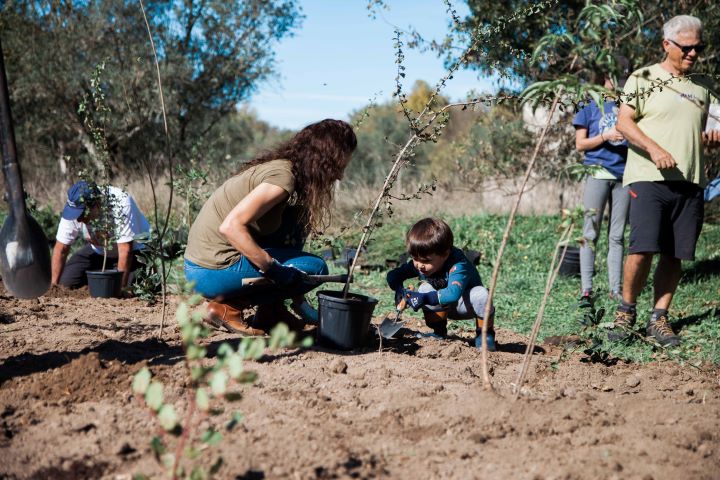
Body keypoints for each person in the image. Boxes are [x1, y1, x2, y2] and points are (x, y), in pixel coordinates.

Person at [184, 119, 357, 335]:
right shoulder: (282, 178)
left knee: (295, 223)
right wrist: (273, 270)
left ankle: (272, 311)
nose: (339, 175)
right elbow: (231, 227)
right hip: (210, 270)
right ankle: (228, 308)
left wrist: (297, 300)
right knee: (316, 268)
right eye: (339, 166)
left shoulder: (284, 173)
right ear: (323, 160)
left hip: (203, 267)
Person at [609, 15, 720, 346]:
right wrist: (654, 148)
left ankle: (659, 319)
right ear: (666, 44)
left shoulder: (703, 87)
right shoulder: (643, 78)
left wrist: (714, 138)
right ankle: (625, 312)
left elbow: (713, 127)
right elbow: (624, 123)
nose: (693, 54)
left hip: (691, 181)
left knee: (676, 253)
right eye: (686, 48)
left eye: (699, 47)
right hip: (648, 178)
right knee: (642, 249)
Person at [573, 62, 631, 323]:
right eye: (616, 76)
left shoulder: (630, 105)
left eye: (625, 75)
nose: (619, 80)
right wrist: (605, 136)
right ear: (605, 77)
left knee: (617, 236)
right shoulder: (588, 103)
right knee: (589, 233)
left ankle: (615, 290)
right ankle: (586, 289)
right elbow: (580, 144)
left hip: (625, 176)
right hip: (597, 173)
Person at [386, 217, 496, 351]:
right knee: (424, 288)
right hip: (442, 307)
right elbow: (393, 275)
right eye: (415, 258)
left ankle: (485, 336)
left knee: (482, 294)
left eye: (426, 261)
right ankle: (438, 333)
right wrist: (399, 290)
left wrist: (423, 298)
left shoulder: (458, 264)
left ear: (445, 254)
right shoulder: (423, 260)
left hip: (466, 305)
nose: (419, 265)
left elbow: (453, 294)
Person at [51, 180, 150, 291]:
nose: (78, 219)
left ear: (96, 204)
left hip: (135, 252)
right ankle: (101, 278)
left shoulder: (121, 202)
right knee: (66, 283)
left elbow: (126, 249)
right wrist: (53, 286)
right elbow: (62, 248)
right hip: (98, 252)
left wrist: (119, 289)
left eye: (82, 214)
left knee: (134, 286)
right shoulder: (75, 205)